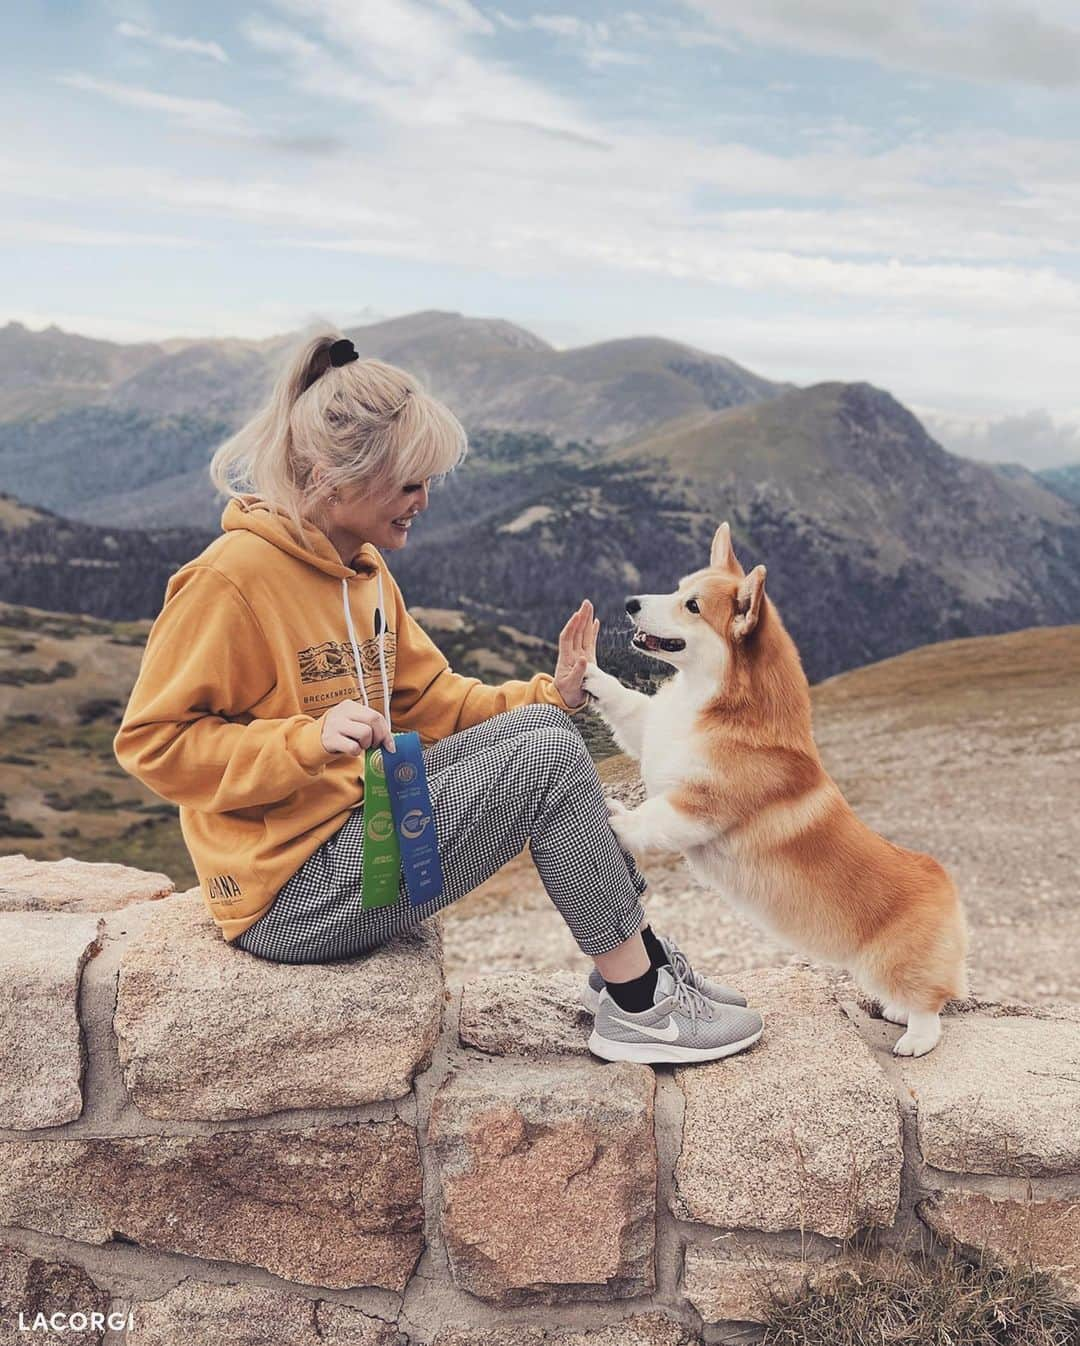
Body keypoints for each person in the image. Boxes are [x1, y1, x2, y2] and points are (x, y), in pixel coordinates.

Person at [113, 332, 763, 1065]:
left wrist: (552, 691)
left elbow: (432, 701)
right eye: (409, 483)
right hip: (288, 895)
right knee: (546, 757)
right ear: (333, 475)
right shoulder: (231, 579)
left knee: (546, 733)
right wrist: (303, 741)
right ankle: (642, 1007)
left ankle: (637, 963)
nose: (425, 501)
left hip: (367, 835)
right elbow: (154, 742)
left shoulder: (361, 572)